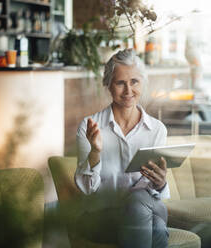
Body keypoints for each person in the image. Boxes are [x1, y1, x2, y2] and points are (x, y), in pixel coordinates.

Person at [75, 49, 170, 248]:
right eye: (120, 83)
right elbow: (87, 189)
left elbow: (158, 195)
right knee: (158, 228)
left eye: (134, 82)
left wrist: (161, 184)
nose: (128, 91)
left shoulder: (157, 130)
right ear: (108, 85)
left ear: (142, 83)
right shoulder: (90, 126)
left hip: (145, 208)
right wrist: (95, 152)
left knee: (139, 202)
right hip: (103, 216)